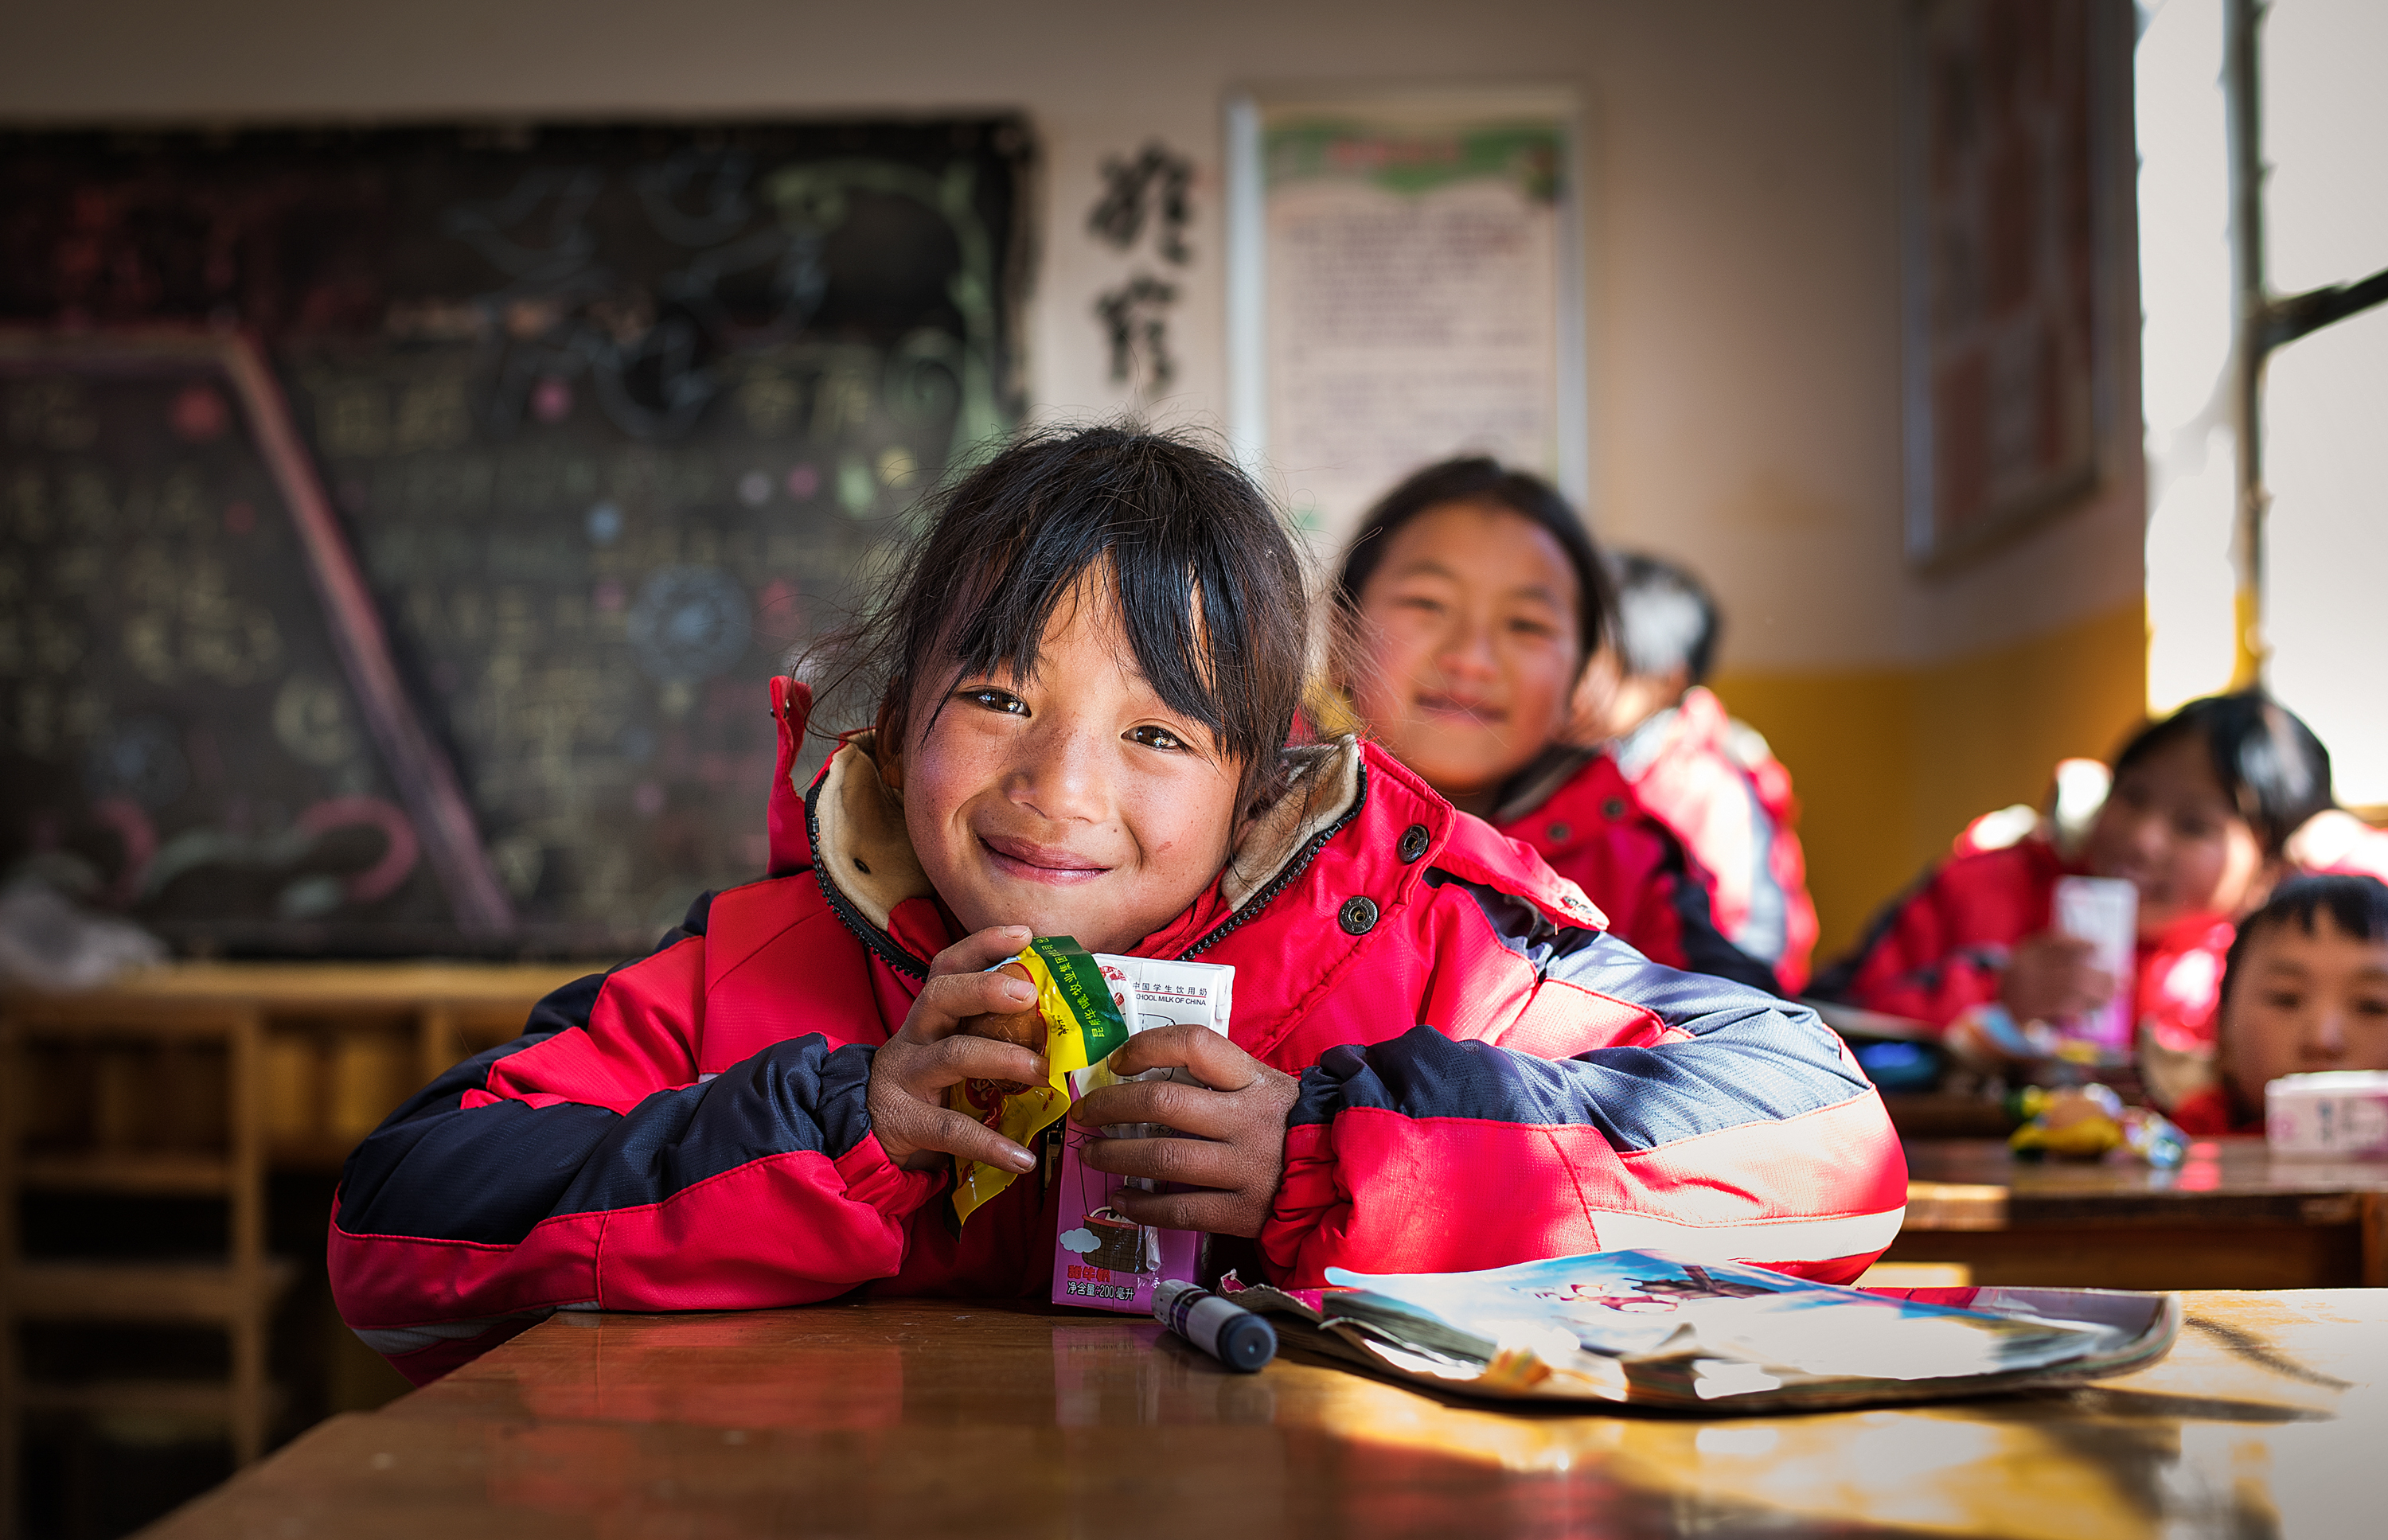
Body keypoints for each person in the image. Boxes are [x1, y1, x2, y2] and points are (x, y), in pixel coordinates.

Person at [329, 428, 1903, 1382]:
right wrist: (836, 1134)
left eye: (1159, 732)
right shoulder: (758, 964)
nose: (1061, 791)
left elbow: (1823, 1145)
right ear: (894, 715)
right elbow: (395, 1225)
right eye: (999, 695)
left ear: (1258, 775)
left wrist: (1328, 1155)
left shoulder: (1419, 931)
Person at [1333, 458, 1779, 992]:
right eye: (1428, 603)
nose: (1471, 658)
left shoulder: (1635, 869)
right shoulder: (1247, 823)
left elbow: (1771, 1047)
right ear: (1342, 633)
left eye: (1527, 624)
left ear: (1581, 679)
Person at [1832, 689, 2339, 1074]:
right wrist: (1995, 998)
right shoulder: (1985, 888)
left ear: (2270, 868)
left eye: (2193, 826)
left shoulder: (2274, 972)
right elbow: (1838, 1034)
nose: (2142, 839)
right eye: (2132, 797)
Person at [1571, 551, 1820, 992]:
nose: (1572, 681)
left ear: (1666, 680)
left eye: (1597, 661)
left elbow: (1750, 949)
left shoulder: (1713, 787)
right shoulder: (1582, 756)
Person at [2170, 875, 2388, 1136]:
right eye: (2286, 998)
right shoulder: (2177, 1147)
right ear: (2223, 1034)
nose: (2323, 1040)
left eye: (2373, 1005)